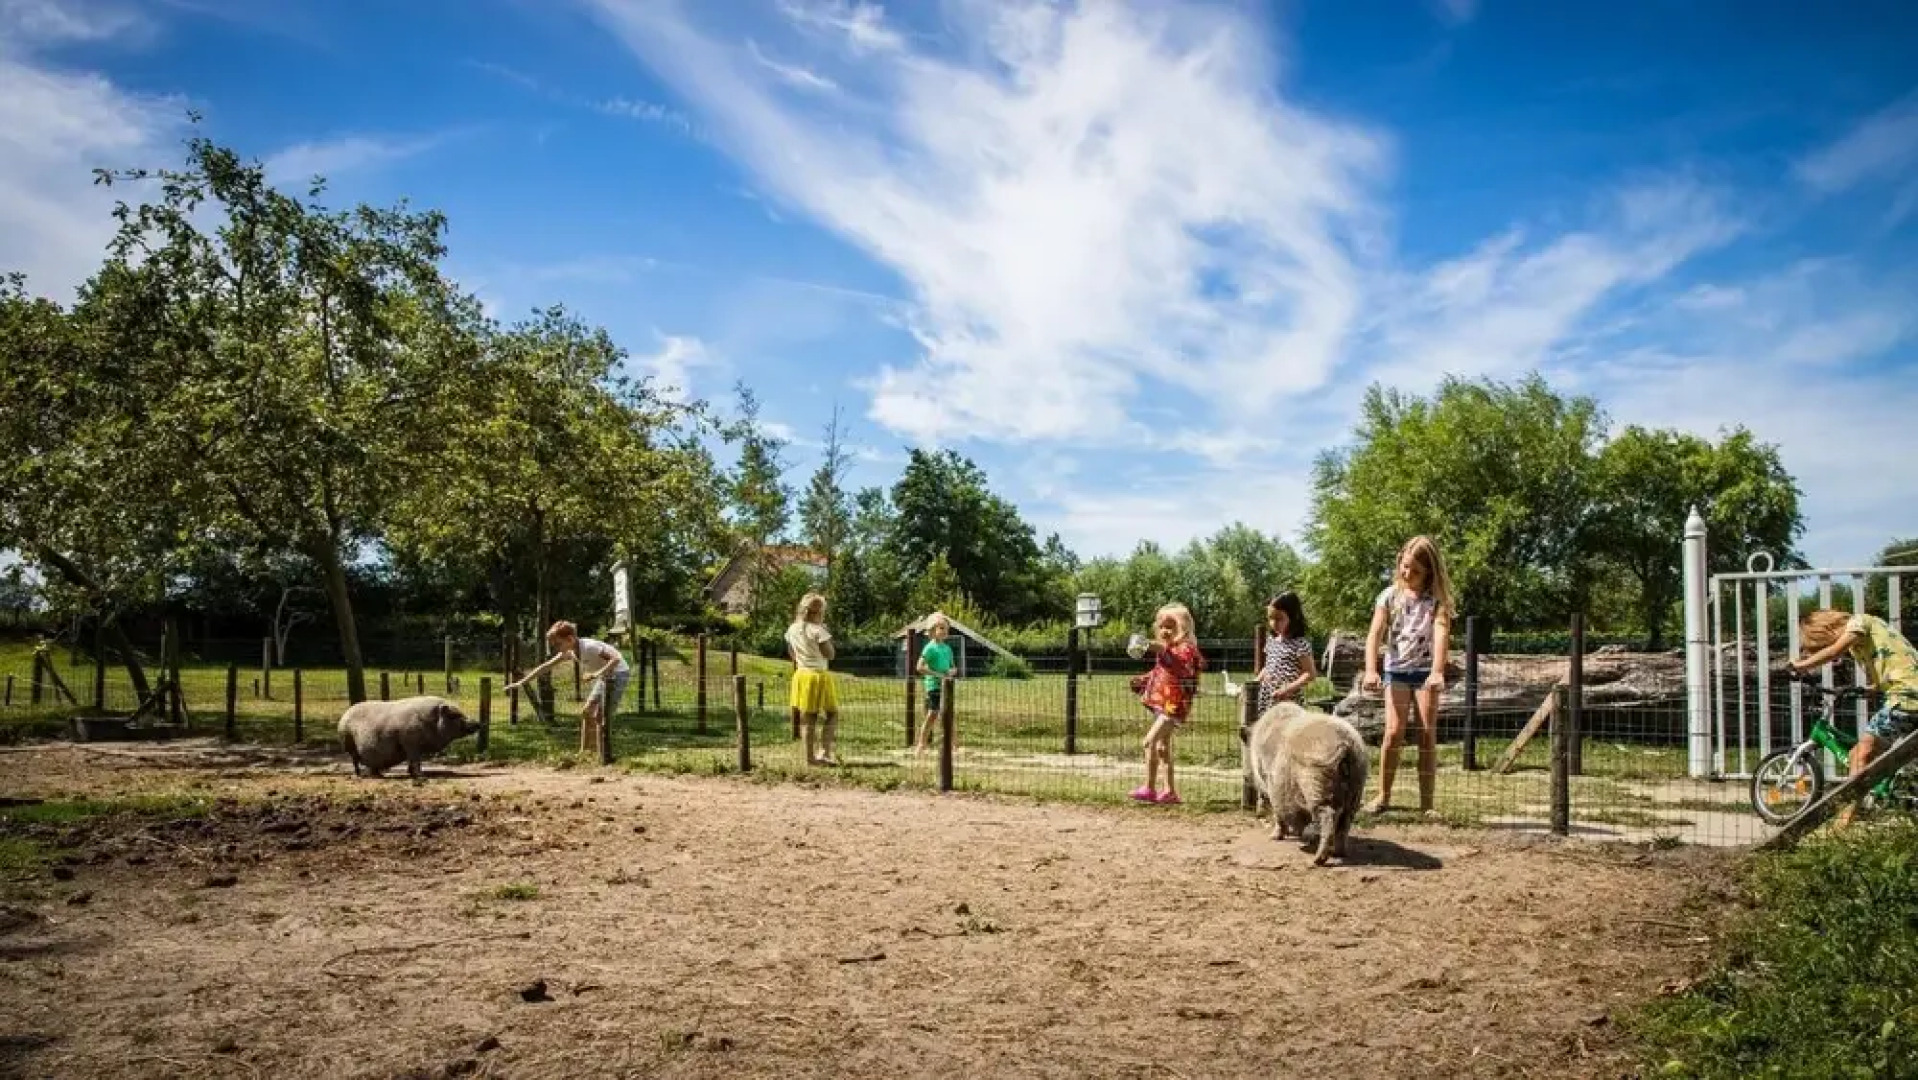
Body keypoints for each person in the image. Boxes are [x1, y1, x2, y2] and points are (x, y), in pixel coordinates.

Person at [1787, 609, 1918, 828]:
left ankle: (1844, 824)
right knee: (1869, 754)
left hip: (1906, 695)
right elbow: (1887, 666)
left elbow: (1832, 651)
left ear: (1825, 629)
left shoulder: (1859, 622)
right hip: (1905, 693)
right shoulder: (1861, 642)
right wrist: (1872, 688)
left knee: (1861, 754)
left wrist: (1801, 665)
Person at [1361, 536, 1455, 817]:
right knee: (1393, 732)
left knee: (1427, 735)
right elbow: (1375, 633)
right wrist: (1370, 669)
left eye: (1415, 570)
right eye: (1404, 567)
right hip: (1396, 671)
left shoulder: (1438, 600)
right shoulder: (1389, 596)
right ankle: (1382, 796)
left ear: (1429, 571)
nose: (1407, 574)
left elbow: (1441, 633)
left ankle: (1427, 805)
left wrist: (1438, 671)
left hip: (1426, 673)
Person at [508, 621, 629, 756]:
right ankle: (584, 753)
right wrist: (522, 682)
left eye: (558, 644)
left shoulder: (589, 647)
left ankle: (604, 755)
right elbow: (545, 667)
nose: (557, 648)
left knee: (600, 716)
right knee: (587, 712)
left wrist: (595, 674)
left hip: (618, 673)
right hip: (605, 676)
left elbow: (616, 659)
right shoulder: (570, 651)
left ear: (570, 639)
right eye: (554, 645)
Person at [1130, 603, 1205, 806]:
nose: (1165, 631)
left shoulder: (1186, 649)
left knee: (1149, 742)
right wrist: (1144, 680)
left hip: (1173, 706)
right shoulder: (1169, 649)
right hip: (1163, 704)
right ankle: (1170, 792)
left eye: (1171, 627)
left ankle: (1149, 788)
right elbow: (1161, 672)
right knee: (1163, 747)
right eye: (1162, 626)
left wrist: (1150, 645)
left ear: (1184, 628)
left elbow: (1177, 662)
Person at [787, 592, 840, 766]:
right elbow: (830, 654)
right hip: (817, 675)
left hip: (801, 674)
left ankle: (809, 757)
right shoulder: (818, 630)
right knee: (832, 713)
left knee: (807, 717)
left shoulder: (793, 629)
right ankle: (824, 751)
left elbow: (792, 653)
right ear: (818, 612)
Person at [1257, 592, 1319, 716]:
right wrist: (1254, 682)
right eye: (1270, 618)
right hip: (1269, 697)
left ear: (1293, 617)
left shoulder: (1300, 644)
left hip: (1289, 700)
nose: (1274, 623)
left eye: (1279, 618)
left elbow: (1310, 674)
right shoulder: (1272, 641)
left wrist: (1288, 689)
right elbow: (1268, 667)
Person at [914, 613, 957, 757]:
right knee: (932, 714)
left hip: (947, 686)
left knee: (948, 715)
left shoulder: (948, 649)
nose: (945, 631)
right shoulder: (929, 648)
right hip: (933, 686)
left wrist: (951, 672)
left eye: (946, 628)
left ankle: (953, 746)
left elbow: (953, 667)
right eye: (941, 628)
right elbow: (919, 667)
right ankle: (921, 744)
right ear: (932, 630)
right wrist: (937, 675)